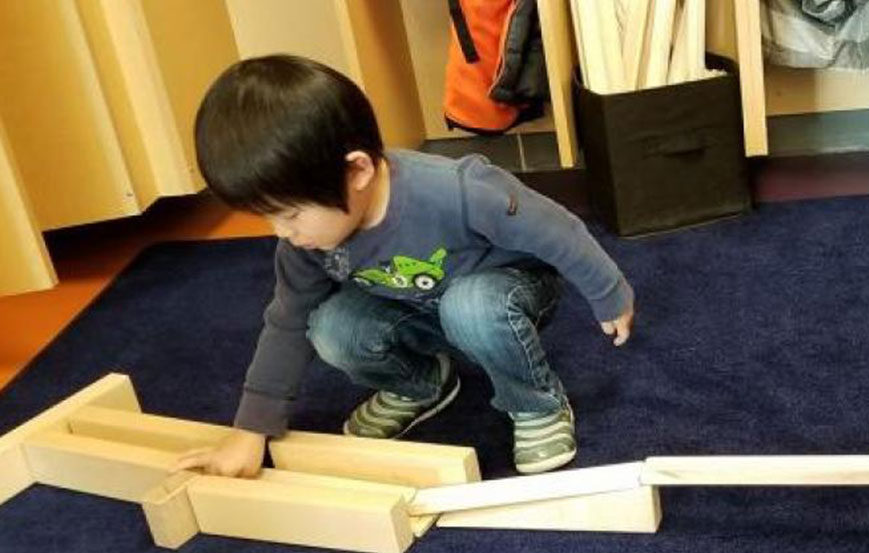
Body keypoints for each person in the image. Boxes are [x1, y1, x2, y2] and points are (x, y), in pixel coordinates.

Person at [175, 55, 634, 478]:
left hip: (505, 294)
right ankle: (421, 384)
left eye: (290, 214)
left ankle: (536, 403)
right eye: (268, 216)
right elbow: (287, 321)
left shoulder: (458, 190)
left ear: (357, 171)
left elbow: (554, 229)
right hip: (416, 305)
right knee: (330, 327)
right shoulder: (305, 243)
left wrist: (608, 291)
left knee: (470, 306)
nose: (281, 232)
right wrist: (250, 429)